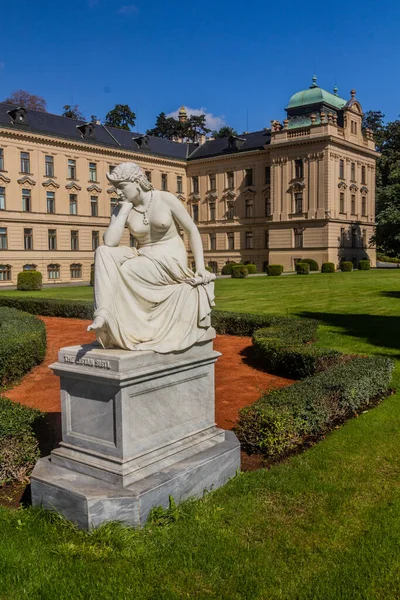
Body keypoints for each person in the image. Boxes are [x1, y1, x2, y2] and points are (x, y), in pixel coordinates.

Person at [87, 162, 215, 352]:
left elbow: (192, 230)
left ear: (137, 182)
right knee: (103, 253)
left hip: (170, 258)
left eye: (121, 187)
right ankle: (104, 313)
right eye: (116, 188)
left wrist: (201, 267)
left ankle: (130, 325)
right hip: (142, 254)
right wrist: (123, 210)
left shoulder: (165, 199)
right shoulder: (123, 207)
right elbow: (110, 242)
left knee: (128, 270)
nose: (118, 193)